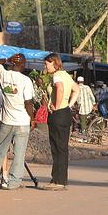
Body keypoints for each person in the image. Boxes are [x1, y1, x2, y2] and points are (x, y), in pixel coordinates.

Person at [0, 53, 35, 190]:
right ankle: (13, 182)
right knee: (19, 154)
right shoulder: (26, 80)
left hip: (6, 120)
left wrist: (7, 60)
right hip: (22, 121)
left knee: (0, 152)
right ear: (23, 65)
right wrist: (32, 119)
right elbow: (28, 103)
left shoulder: (3, 74)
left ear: (12, 63)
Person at [41, 53, 79, 190]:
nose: (45, 66)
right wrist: (69, 105)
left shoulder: (57, 75)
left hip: (58, 114)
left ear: (54, 63)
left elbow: (60, 88)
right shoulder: (66, 75)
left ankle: (58, 180)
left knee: (57, 147)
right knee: (62, 147)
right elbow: (77, 89)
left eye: (47, 64)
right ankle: (59, 179)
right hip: (65, 113)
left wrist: (57, 106)